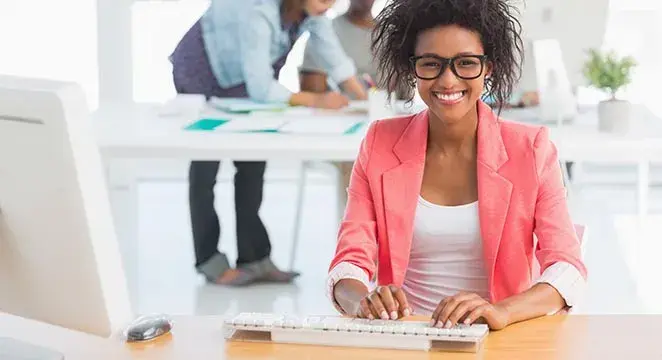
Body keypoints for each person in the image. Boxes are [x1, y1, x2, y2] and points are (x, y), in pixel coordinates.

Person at [327, 0, 587, 330]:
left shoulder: (531, 149)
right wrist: (362, 301)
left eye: (465, 63)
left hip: (498, 337)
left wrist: (503, 311)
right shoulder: (380, 143)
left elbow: (567, 267)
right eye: (431, 64)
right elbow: (350, 261)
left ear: (488, 67)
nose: (448, 81)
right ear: (412, 68)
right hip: (407, 334)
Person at [170, 0, 368, 286]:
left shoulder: (311, 13)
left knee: (252, 161)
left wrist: (364, 97)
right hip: (202, 72)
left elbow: (334, 56)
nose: (330, 5)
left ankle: (255, 259)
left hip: (246, 79)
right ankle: (210, 261)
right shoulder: (259, 11)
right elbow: (261, 87)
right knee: (206, 167)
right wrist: (316, 100)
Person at [299, 0, 376, 220]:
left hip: (378, 128)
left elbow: (403, 93)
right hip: (341, 136)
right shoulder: (325, 30)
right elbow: (314, 91)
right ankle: (359, 247)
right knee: (358, 160)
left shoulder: (389, 34)